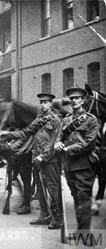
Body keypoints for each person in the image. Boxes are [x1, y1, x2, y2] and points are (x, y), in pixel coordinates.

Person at [0, 93, 62, 227]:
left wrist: (42, 156)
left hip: (49, 160)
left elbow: (54, 141)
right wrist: (7, 134)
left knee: (52, 189)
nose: (43, 104)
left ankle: (57, 219)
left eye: (46, 102)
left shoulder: (55, 120)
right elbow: (25, 132)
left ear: (50, 103)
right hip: (37, 160)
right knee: (41, 190)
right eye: (41, 102)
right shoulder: (39, 120)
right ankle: (44, 215)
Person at [54, 87, 98, 242]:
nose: (74, 101)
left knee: (84, 198)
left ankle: (86, 234)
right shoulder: (65, 120)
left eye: (77, 98)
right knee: (76, 197)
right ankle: (81, 231)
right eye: (71, 98)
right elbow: (59, 136)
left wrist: (67, 148)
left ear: (83, 100)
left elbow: (89, 143)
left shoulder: (91, 119)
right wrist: (58, 143)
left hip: (84, 165)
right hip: (69, 166)